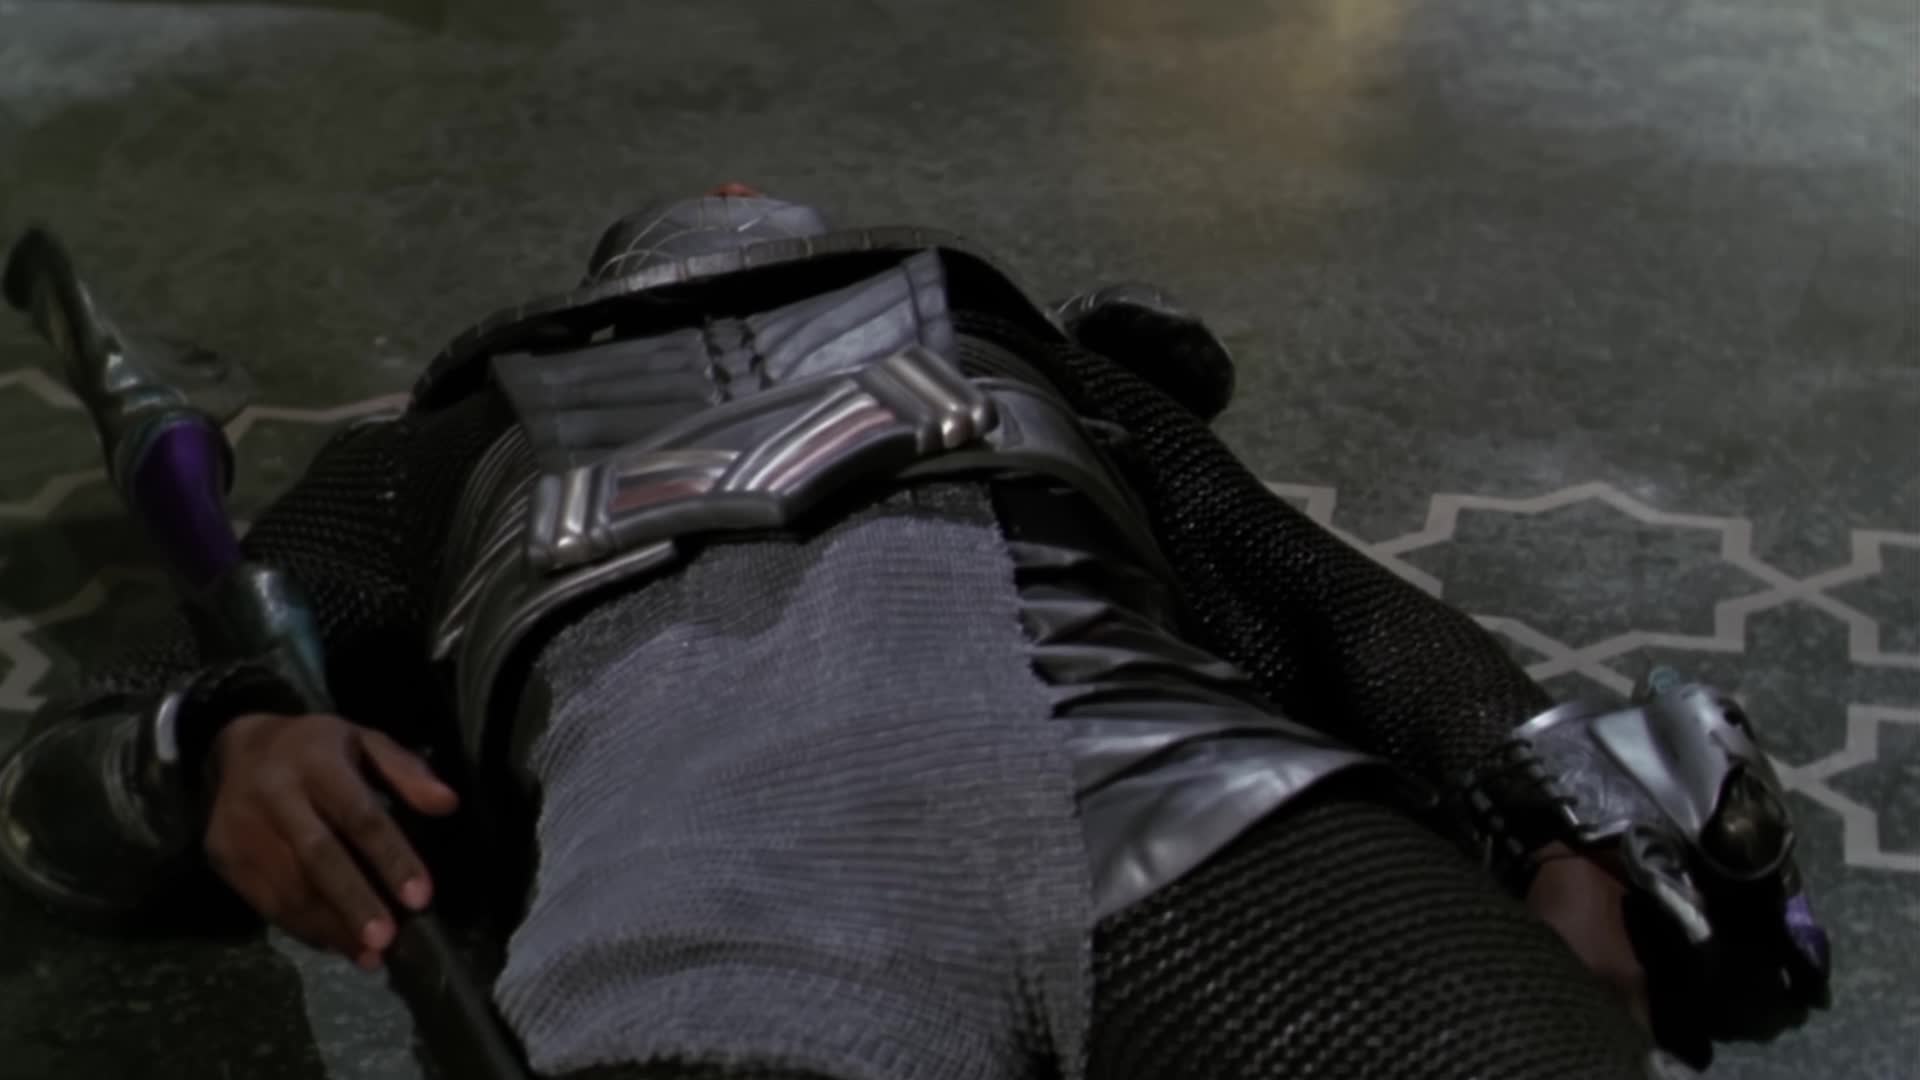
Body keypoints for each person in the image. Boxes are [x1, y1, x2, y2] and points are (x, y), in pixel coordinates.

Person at [0, 189, 1826, 1080]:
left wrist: (1570, 818)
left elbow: (1337, 606)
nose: (736, 207)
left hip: (1187, 801)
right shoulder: (443, 448)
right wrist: (217, 752)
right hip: (709, 884)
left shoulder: (1030, 360)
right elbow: (64, 787)